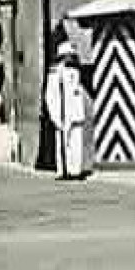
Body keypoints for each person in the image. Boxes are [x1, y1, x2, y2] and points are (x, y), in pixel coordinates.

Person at [44, 41, 92, 181]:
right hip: (62, 113)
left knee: (76, 143)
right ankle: (63, 170)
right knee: (62, 143)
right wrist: (55, 114)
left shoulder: (75, 71)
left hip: (75, 112)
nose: (71, 58)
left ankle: (74, 170)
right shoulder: (55, 73)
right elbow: (51, 94)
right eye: (69, 55)